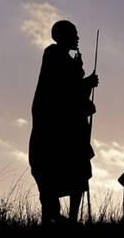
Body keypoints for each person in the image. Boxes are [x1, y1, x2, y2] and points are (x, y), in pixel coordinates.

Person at [29, 20, 99, 225]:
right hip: (56, 130)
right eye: (74, 34)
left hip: (70, 128)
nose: (77, 37)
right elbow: (61, 90)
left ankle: (71, 219)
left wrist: (85, 86)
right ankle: (52, 217)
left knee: (77, 173)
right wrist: (85, 82)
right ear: (63, 35)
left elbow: (73, 92)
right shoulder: (53, 55)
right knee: (56, 172)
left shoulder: (66, 60)